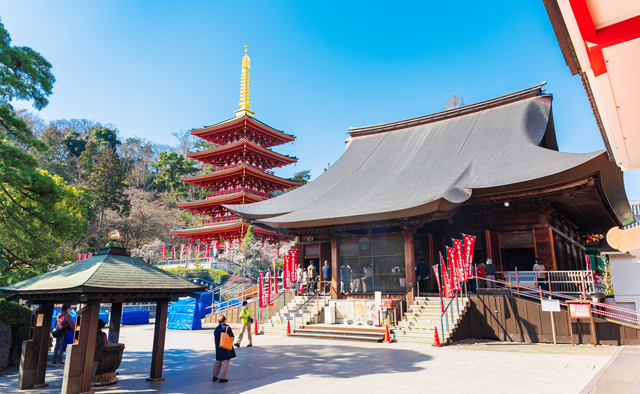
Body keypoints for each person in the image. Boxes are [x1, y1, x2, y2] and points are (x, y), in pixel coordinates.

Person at [213, 315, 236, 383]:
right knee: (226, 362)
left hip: (219, 347)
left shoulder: (217, 329)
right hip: (226, 346)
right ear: (225, 321)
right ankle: (223, 378)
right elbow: (232, 336)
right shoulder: (227, 328)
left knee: (218, 361)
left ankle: (215, 376)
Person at [92, 319, 109, 385]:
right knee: (93, 369)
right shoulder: (103, 334)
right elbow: (106, 344)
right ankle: (90, 383)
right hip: (97, 354)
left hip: (88, 354)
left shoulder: (91, 333)